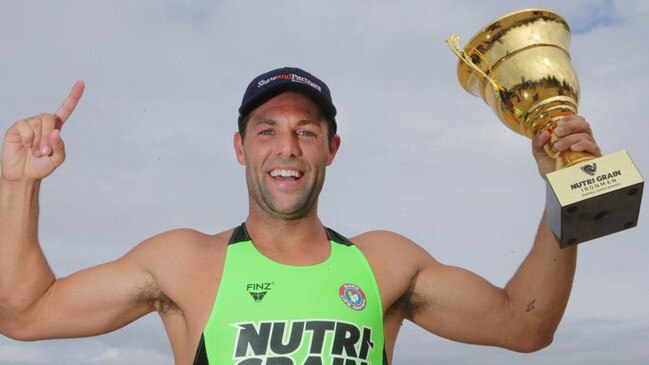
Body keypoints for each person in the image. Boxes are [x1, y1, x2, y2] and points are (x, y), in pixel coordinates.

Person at [0, 67, 600, 364]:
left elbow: (525, 326)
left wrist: (565, 193)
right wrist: (17, 185)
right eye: (267, 131)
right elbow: (24, 315)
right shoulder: (182, 263)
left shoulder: (382, 263)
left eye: (306, 131)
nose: (286, 148)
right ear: (241, 148)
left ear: (330, 149)